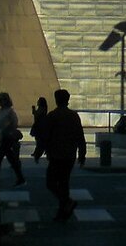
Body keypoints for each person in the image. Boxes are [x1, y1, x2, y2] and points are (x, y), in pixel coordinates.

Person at [45, 88, 88, 222]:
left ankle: (66, 203)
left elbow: (46, 136)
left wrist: (40, 151)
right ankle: (63, 210)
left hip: (56, 154)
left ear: (57, 100)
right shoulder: (73, 116)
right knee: (64, 183)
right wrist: (82, 154)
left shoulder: (53, 116)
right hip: (69, 154)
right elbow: (80, 136)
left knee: (51, 182)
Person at [0, 92, 26, 187]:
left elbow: (15, 123)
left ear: (6, 100)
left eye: (1, 100)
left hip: (8, 138)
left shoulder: (10, 112)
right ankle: (20, 178)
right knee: (11, 159)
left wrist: (9, 128)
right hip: (2, 137)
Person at [30, 96, 51, 163]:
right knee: (39, 140)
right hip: (39, 126)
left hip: (40, 126)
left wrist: (33, 110)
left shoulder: (42, 109)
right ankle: (40, 152)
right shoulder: (43, 108)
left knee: (40, 140)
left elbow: (37, 115)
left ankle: (38, 152)